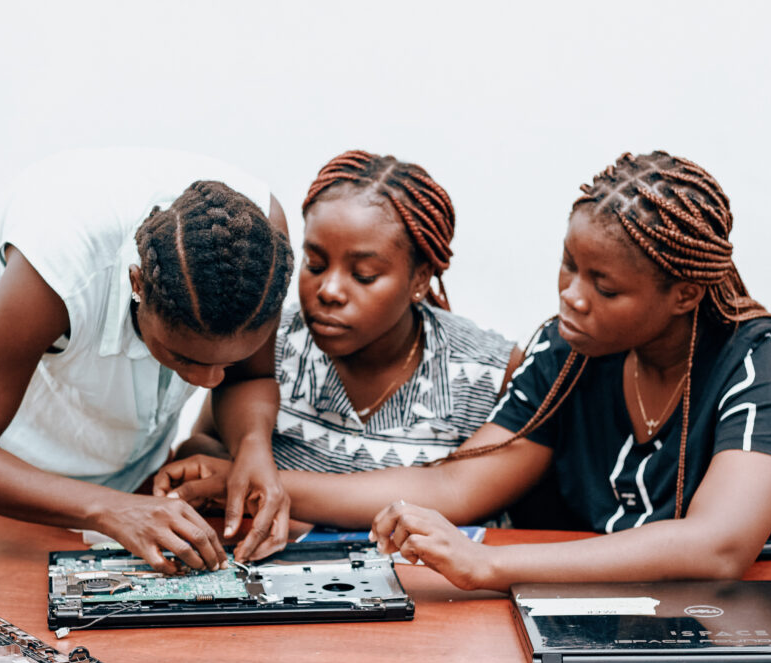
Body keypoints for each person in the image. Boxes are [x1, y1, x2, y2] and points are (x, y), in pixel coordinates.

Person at [162, 151, 771, 591]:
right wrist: (252, 479)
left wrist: (489, 563)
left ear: (684, 295)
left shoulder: (765, 364)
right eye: (570, 267)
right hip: (623, 606)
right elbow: (460, 481)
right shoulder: (569, 351)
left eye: (604, 287)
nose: (571, 296)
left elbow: (717, 546)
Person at [0, 148, 294, 571]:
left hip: (128, 470)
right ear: (137, 283)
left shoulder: (260, 251)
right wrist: (112, 509)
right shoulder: (57, 264)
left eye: (229, 360)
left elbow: (244, 380)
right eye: (185, 358)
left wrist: (253, 447)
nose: (209, 382)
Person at [154, 150, 521, 496]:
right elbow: (201, 444)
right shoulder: (271, 342)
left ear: (420, 279)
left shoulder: (487, 372)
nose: (329, 290)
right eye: (314, 264)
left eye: (363, 275)